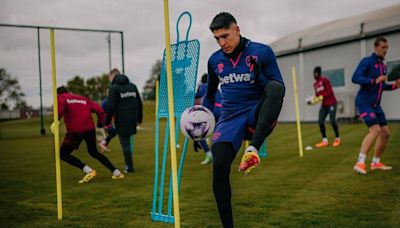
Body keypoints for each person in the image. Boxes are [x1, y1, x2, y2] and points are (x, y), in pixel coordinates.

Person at [202, 12, 285, 227]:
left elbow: (276, 90)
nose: (222, 42)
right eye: (217, 38)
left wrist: (260, 78)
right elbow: (209, 96)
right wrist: (200, 124)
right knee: (219, 165)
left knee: (275, 87)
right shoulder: (214, 61)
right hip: (229, 118)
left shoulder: (262, 52)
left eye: (226, 36)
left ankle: (253, 149)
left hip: (256, 114)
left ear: (237, 30)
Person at [52, 86, 124, 184]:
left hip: (75, 131)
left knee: (62, 154)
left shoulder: (61, 97)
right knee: (94, 152)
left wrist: (56, 120)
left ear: (58, 94)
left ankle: (89, 171)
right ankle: (117, 172)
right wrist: (100, 123)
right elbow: (99, 110)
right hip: (89, 129)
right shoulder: (81, 98)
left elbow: (60, 107)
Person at [352, 37, 400, 175]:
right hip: (364, 102)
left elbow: (382, 86)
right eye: (383, 47)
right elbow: (355, 78)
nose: (385, 50)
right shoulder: (367, 62)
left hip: (376, 105)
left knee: (385, 133)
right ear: (376, 47)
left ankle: (375, 162)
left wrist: (394, 86)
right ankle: (360, 163)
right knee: (375, 130)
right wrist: (374, 80)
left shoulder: (383, 65)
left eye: (387, 48)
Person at [105, 68, 143, 173]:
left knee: (125, 143)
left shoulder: (113, 88)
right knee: (127, 143)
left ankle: (129, 167)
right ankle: (129, 165)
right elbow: (139, 103)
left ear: (112, 77)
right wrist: (139, 119)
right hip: (133, 118)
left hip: (121, 119)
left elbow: (111, 106)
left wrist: (107, 122)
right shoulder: (133, 86)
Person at [194, 73, 222, 164]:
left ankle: (208, 153)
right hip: (221, 111)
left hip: (211, 111)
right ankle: (218, 155)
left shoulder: (203, 86)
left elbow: (198, 95)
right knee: (217, 134)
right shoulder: (217, 88)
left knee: (198, 132)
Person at [310, 66, 341, 148]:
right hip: (324, 105)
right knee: (320, 121)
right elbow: (317, 96)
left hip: (332, 103)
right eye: (314, 73)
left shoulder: (325, 80)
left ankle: (337, 139)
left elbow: (329, 91)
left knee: (332, 121)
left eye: (316, 73)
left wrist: (322, 96)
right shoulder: (315, 84)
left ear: (319, 73)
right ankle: (324, 141)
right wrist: (312, 101)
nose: (315, 75)